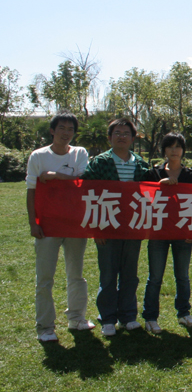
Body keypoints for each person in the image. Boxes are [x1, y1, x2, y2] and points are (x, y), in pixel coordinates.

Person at [26, 111, 94, 342]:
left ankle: (77, 318)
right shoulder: (38, 156)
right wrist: (33, 223)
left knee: (76, 274)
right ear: (52, 131)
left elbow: (83, 182)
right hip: (47, 225)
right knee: (45, 278)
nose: (66, 133)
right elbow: (31, 191)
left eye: (70, 129)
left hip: (75, 224)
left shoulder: (80, 153)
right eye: (62, 128)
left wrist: (56, 176)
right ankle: (45, 327)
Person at [82, 117, 150, 337]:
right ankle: (108, 318)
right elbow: (87, 194)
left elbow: (150, 194)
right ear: (110, 137)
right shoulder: (99, 163)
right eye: (117, 133)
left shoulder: (140, 164)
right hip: (106, 225)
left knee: (130, 274)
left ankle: (128, 316)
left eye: (126, 133)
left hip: (133, 226)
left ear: (133, 138)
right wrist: (96, 228)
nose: (122, 137)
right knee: (109, 274)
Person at [140, 133, 192, 333]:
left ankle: (184, 313)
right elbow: (142, 197)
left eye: (178, 146)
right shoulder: (153, 174)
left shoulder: (190, 175)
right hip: (158, 231)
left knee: (182, 276)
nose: (174, 150)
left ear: (183, 150)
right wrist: (159, 186)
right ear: (164, 150)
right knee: (155, 276)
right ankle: (150, 317)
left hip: (183, 231)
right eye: (170, 146)